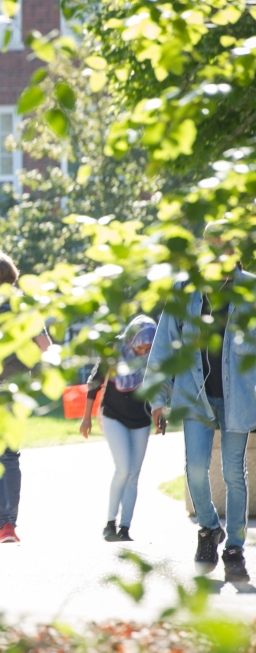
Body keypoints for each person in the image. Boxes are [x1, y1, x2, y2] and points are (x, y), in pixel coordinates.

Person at [146, 244, 256, 581]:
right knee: (195, 469)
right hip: (195, 396)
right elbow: (164, 342)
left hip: (238, 397)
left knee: (233, 473)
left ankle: (234, 546)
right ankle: (209, 529)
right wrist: (158, 397)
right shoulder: (185, 290)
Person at [0, 250, 52, 544]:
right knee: (9, 456)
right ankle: (9, 526)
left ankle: (3, 523)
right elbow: (44, 344)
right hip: (14, 389)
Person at [80, 316, 157, 542]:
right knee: (123, 468)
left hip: (141, 420)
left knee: (134, 474)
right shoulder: (114, 349)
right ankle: (109, 523)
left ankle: (125, 527)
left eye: (148, 347)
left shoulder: (153, 357)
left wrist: (159, 413)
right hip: (113, 416)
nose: (143, 350)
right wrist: (86, 419)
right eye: (140, 345)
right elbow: (95, 382)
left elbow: (161, 386)